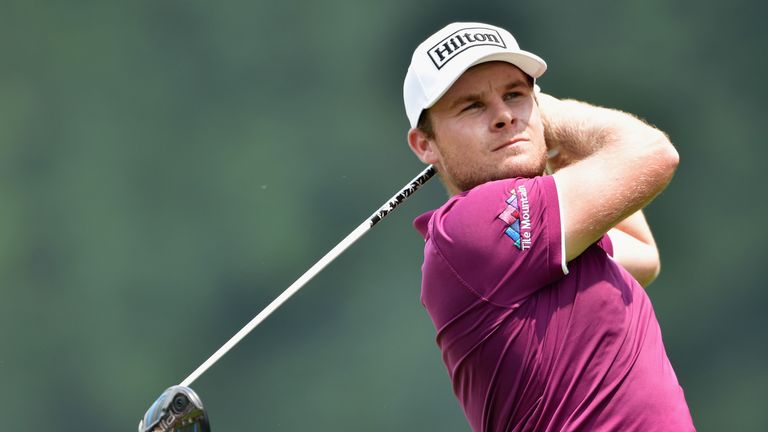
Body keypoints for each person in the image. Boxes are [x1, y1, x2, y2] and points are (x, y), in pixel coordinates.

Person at [404, 22, 695, 431]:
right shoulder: (473, 225)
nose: (504, 116)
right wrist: (551, 116)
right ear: (424, 144)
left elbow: (640, 255)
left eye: (515, 95)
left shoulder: (540, 241)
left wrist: (547, 140)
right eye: (471, 106)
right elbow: (652, 154)